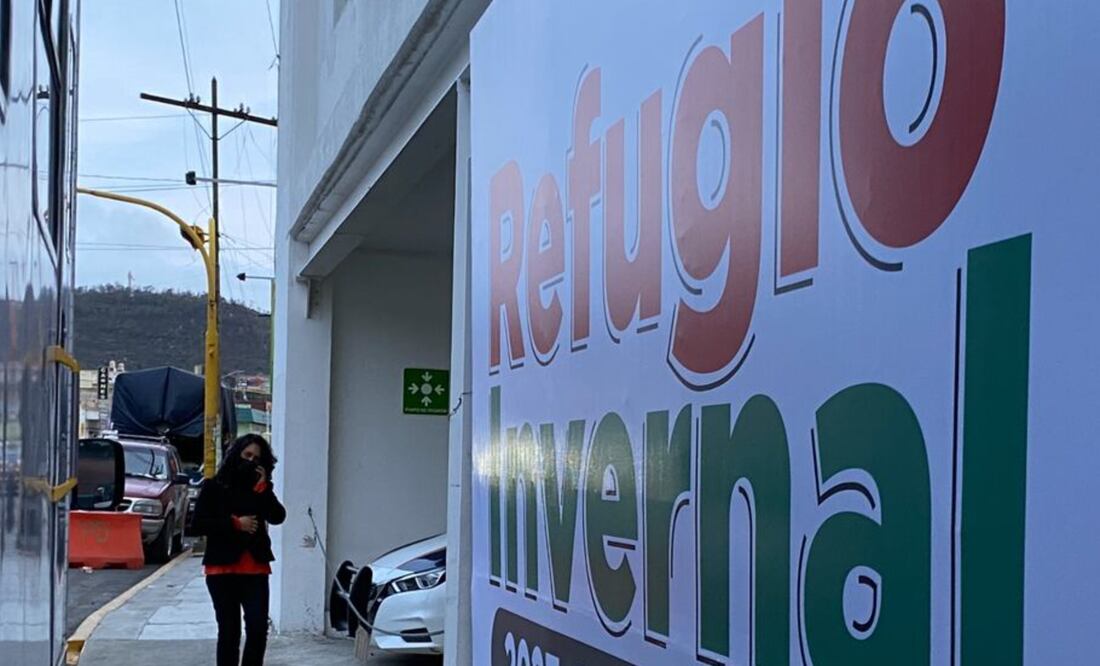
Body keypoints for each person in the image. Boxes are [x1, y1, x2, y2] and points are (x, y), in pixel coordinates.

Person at [193, 434, 286, 666]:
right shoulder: (214, 486)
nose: (251, 461)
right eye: (247, 455)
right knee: (229, 630)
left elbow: (277, 516)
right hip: (222, 569)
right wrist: (235, 523)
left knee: (257, 627)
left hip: (255, 568)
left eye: (256, 458)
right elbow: (198, 524)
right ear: (236, 454)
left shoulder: (260, 489)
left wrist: (263, 489)